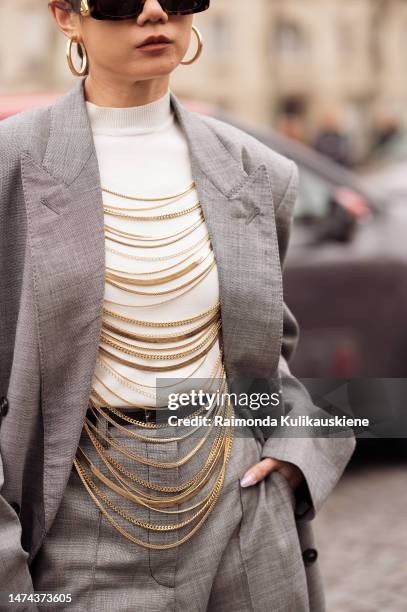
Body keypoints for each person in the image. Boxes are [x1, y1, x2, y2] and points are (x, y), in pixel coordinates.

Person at [0, 1, 355, 610]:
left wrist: (298, 451)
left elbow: (265, 360)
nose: (155, 11)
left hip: (239, 512)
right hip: (72, 522)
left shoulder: (257, 170)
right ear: (66, 17)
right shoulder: (11, 164)